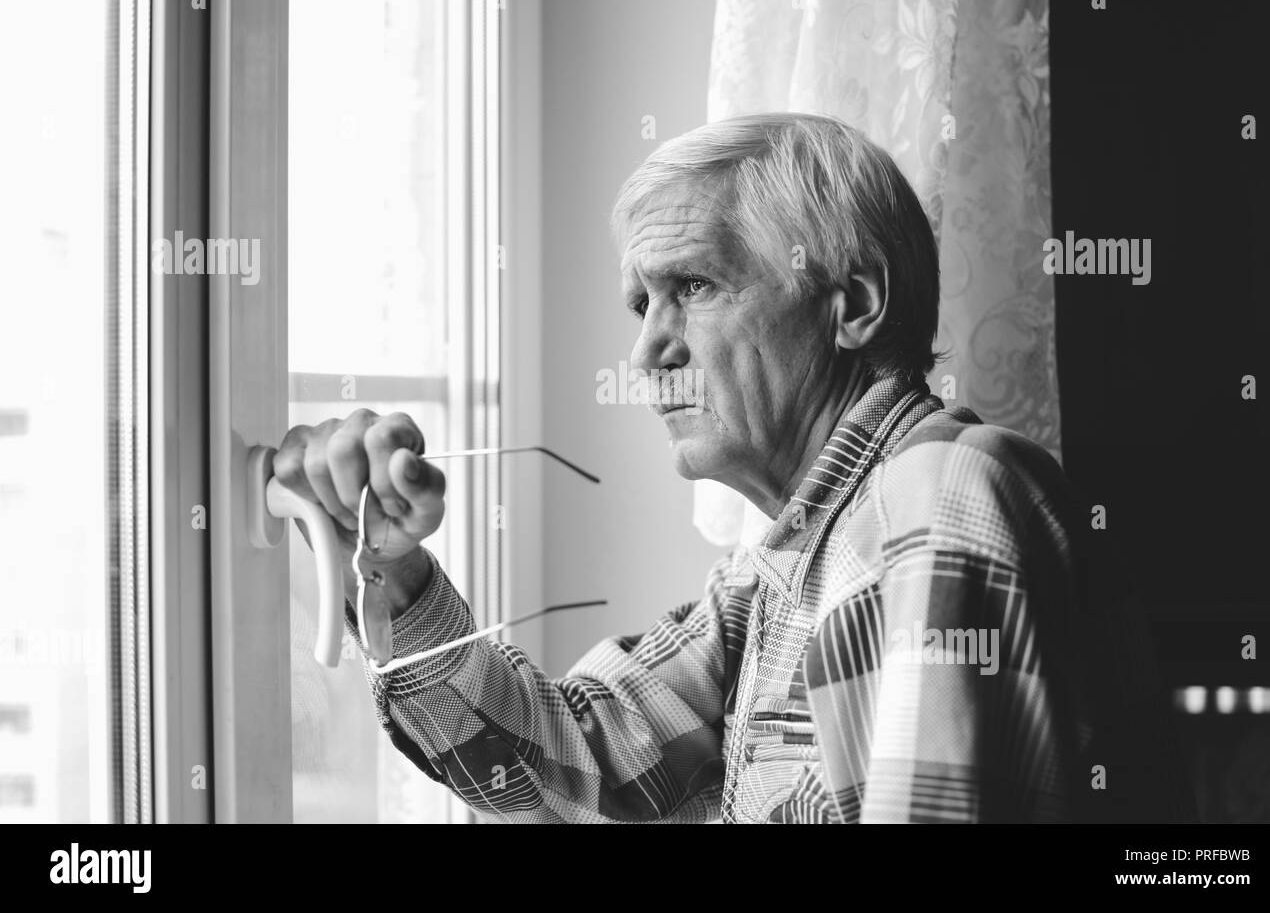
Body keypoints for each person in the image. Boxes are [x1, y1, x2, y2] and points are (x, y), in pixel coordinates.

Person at [271, 112, 1101, 823]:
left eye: (694, 286)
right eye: (642, 303)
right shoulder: (769, 580)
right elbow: (565, 764)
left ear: (853, 305)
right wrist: (388, 567)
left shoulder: (940, 494)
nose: (645, 351)